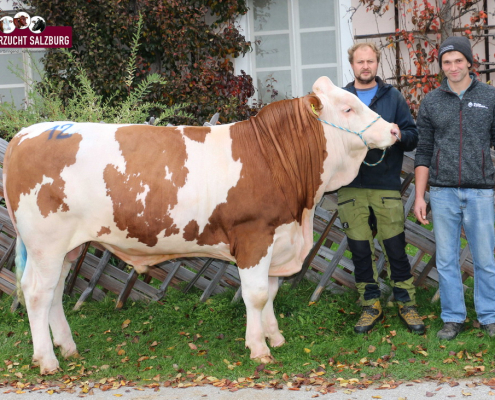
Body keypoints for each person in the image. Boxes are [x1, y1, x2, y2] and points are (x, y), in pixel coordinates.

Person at [338, 42, 425, 334]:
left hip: (386, 185)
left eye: (370, 61)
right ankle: (370, 304)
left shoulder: (393, 98)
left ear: (377, 64)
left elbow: (413, 137)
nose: (365, 66)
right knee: (360, 249)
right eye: (360, 61)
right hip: (350, 186)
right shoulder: (342, 98)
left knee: (395, 248)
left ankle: (406, 304)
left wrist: (400, 133)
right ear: (352, 65)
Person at [414, 36, 495, 340]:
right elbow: (423, 152)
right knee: (446, 259)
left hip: (480, 193)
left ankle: (489, 316)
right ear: (441, 66)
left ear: (469, 63)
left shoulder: (489, 97)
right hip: (443, 192)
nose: (453, 67)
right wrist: (421, 196)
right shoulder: (432, 102)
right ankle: (452, 318)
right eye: (446, 62)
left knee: (485, 259)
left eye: (458, 61)